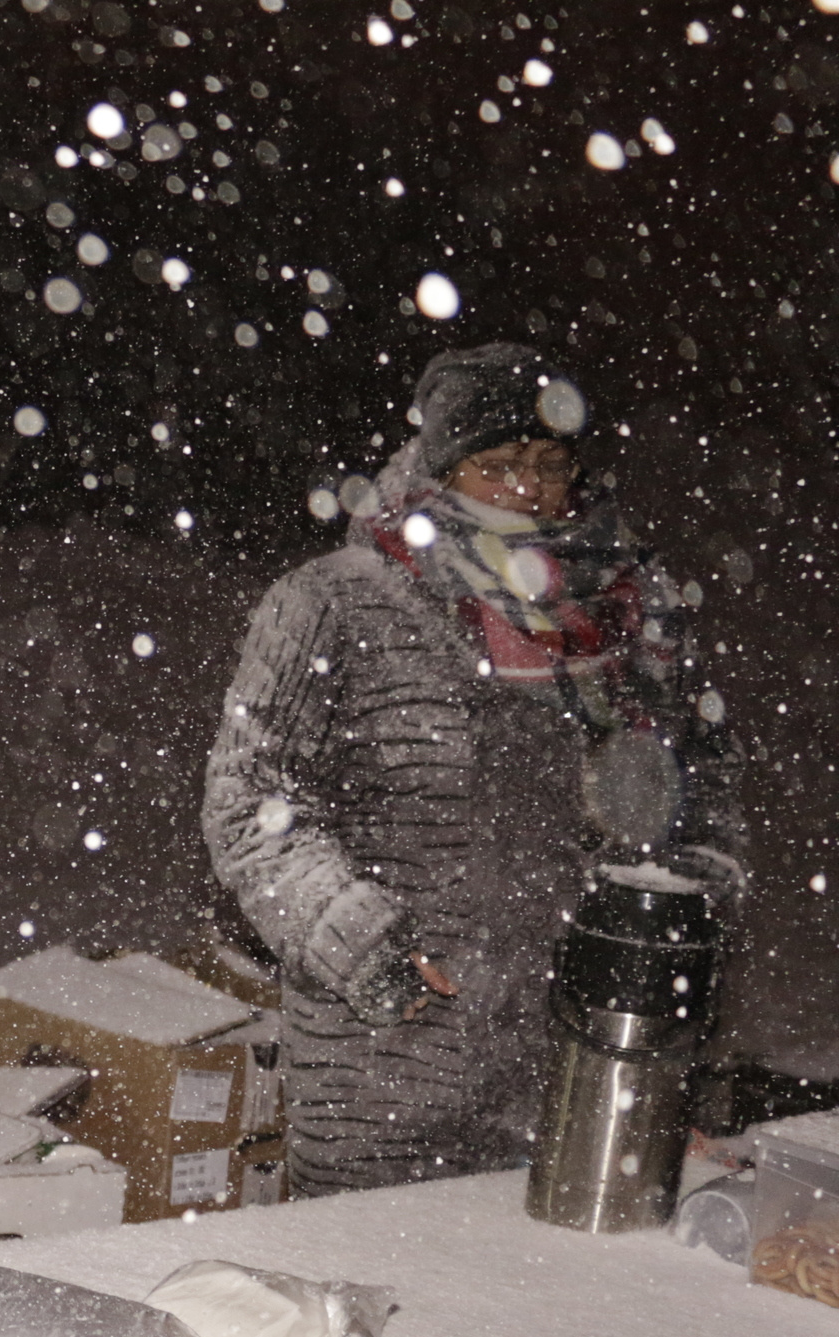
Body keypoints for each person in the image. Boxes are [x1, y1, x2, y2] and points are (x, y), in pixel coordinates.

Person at [202, 343, 743, 1195]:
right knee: (368, 1306)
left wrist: (667, 964)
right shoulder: (334, 603)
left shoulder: (627, 617)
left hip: (571, 1068)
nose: (528, 490)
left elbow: (698, 799)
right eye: (497, 465)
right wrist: (355, 935)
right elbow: (249, 802)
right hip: (380, 1072)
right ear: (440, 470)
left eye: (550, 463)